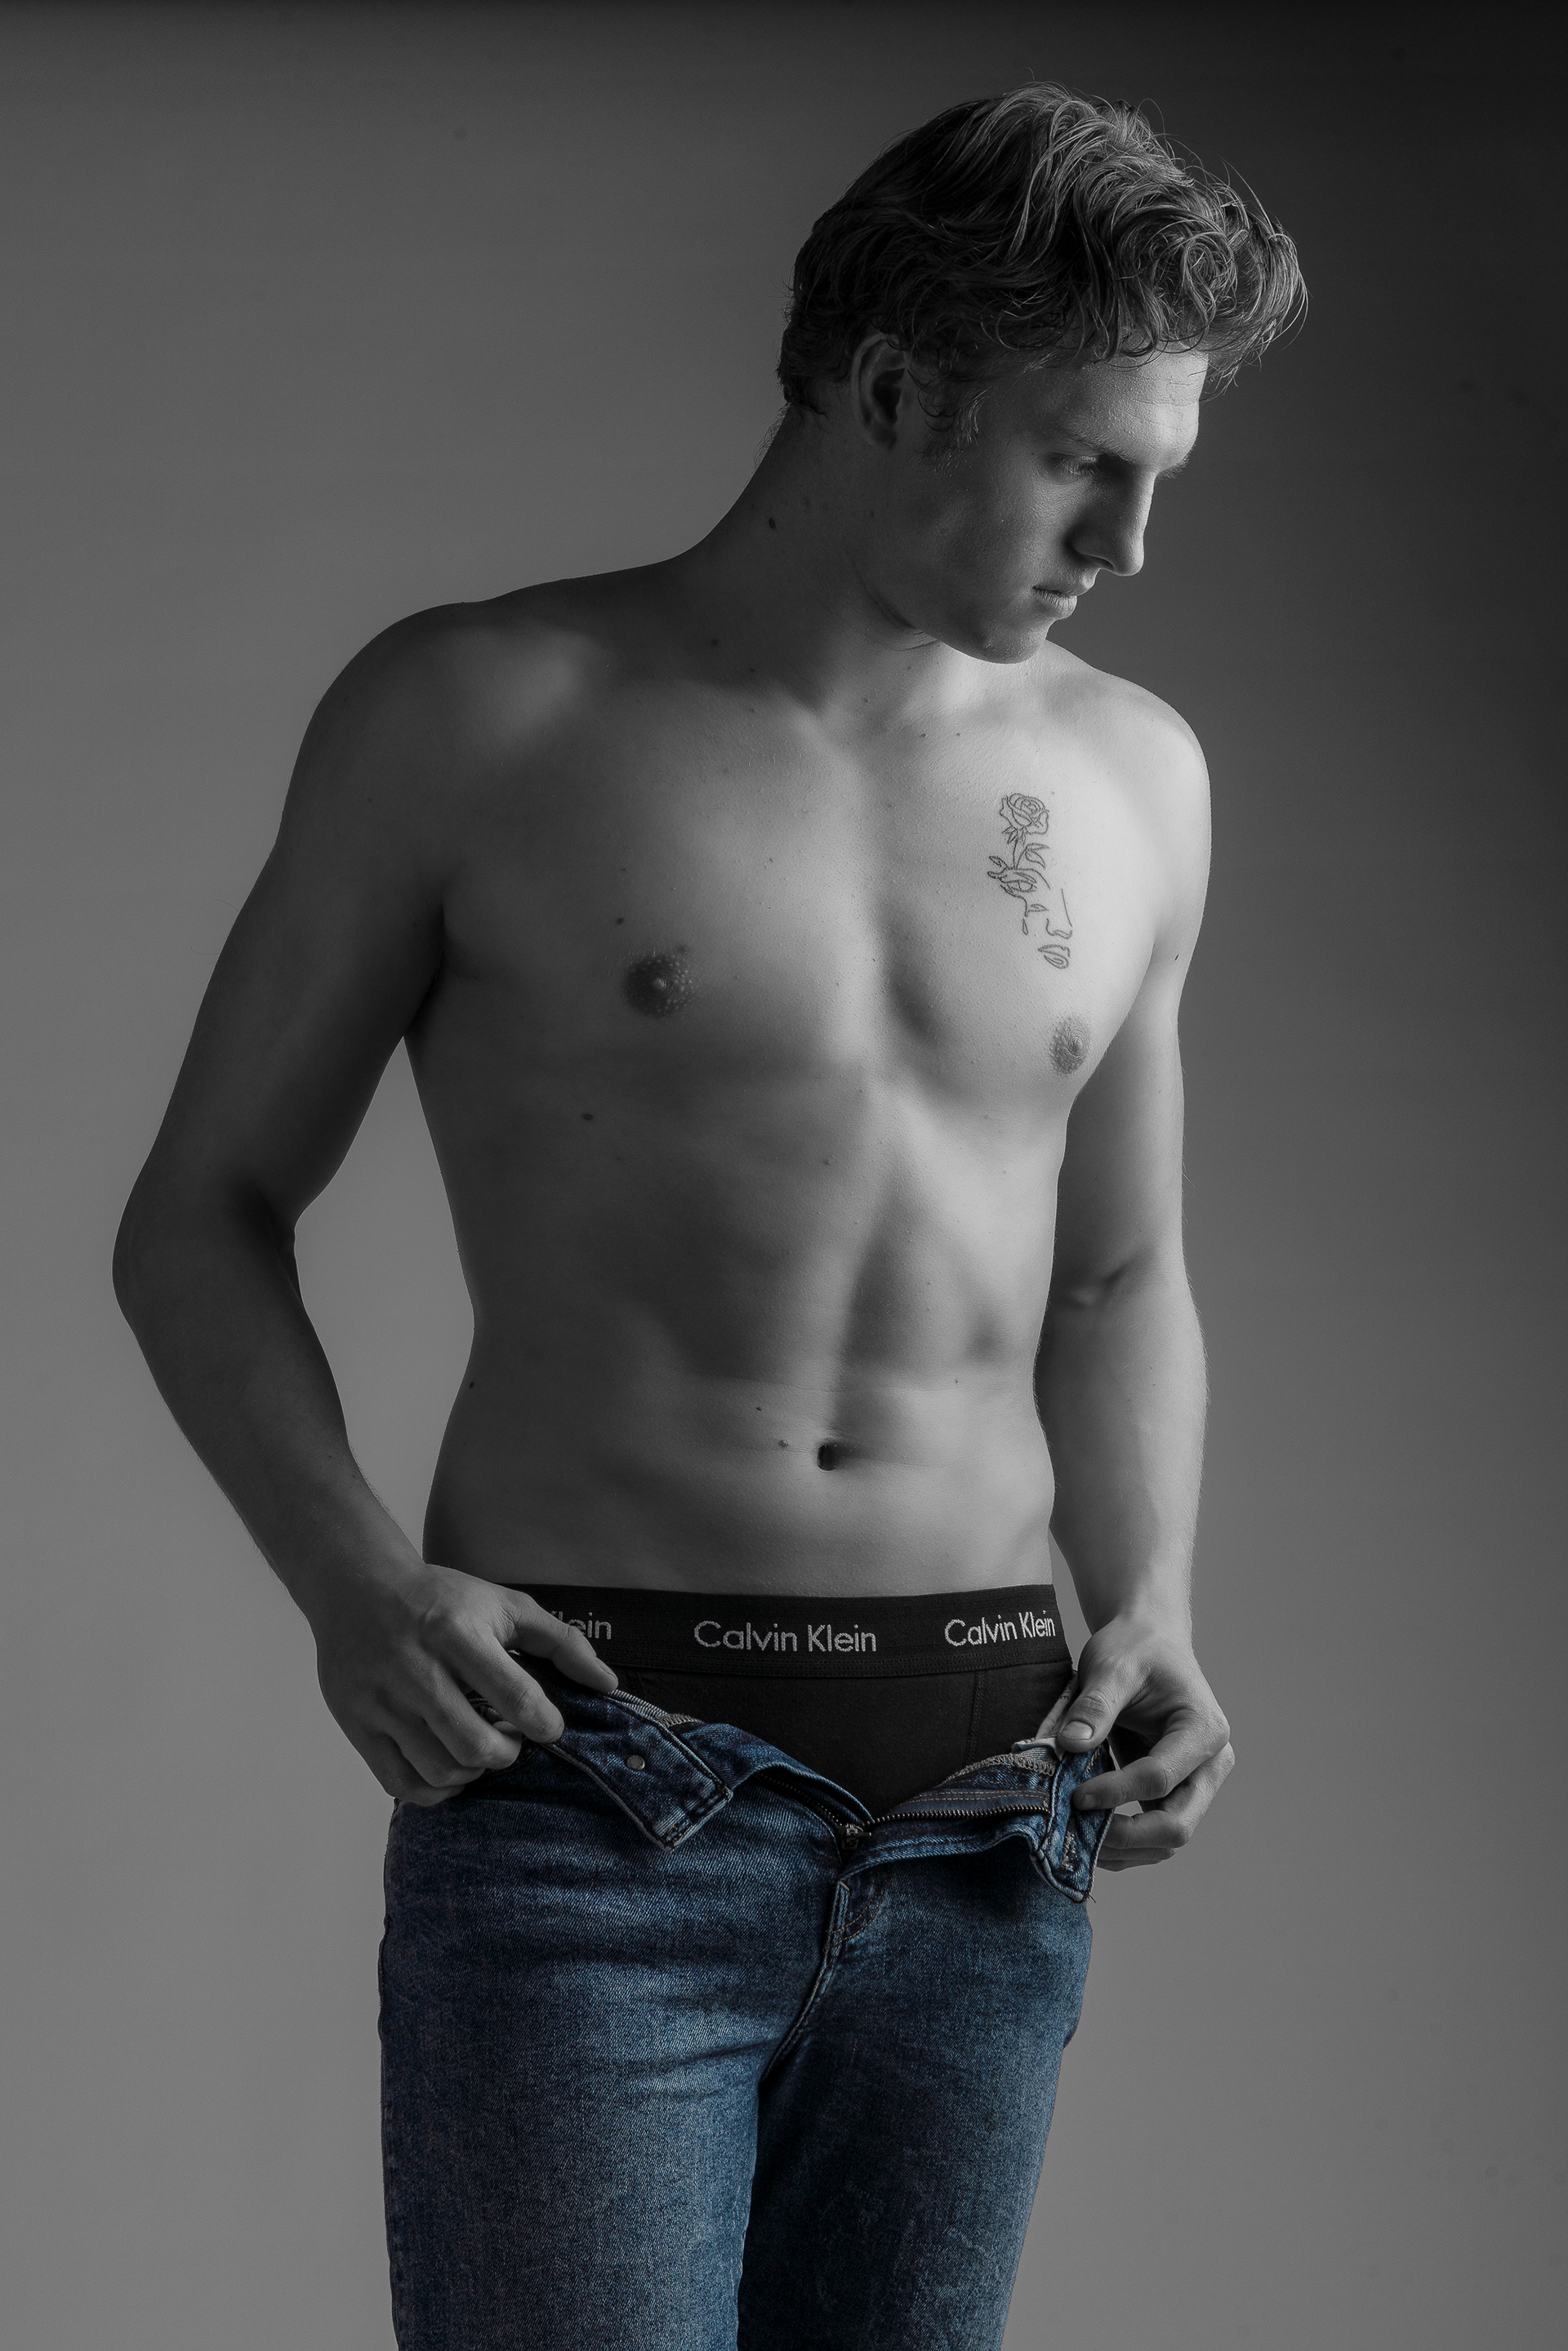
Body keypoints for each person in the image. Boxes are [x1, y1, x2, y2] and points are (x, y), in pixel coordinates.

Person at [114, 82, 1302, 2351]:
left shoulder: (1138, 773)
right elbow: (201, 1211)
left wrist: (1152, 1598)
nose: (1133, 540)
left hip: (996, 1799)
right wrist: (355, 1587)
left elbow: (1118, 1269)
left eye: (1159, 471)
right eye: (1085, 461)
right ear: (893, 390)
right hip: (598, 1783)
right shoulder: (482, 713)